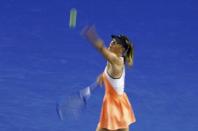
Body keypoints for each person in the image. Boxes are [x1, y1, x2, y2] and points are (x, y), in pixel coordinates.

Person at [82, 26, 136, 131]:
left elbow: (102, 49)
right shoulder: (115, 60)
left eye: (115, 43)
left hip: (114, 105)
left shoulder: (115, 60)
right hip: (118, 102)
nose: (111, 43)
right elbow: (111, 73)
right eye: (112, 40)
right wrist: (103, 76)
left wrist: (92, 37)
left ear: (122, 49)